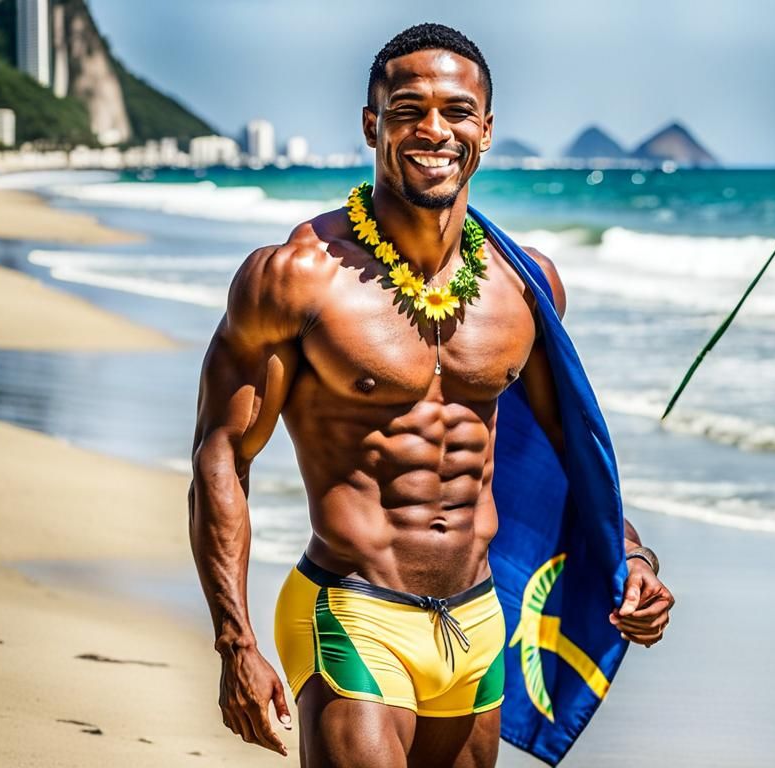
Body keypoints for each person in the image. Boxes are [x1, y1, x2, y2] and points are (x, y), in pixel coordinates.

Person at [189, 23, 674, 768]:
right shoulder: (296, 277)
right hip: (353, 608)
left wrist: (629, 555)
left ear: (486, 129)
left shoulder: (526, 286)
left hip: (478, 623)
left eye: (457, 111)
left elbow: (563, 458)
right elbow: (221, 455)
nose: (434, 130)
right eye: (408, 109)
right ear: (371, 124)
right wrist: (235, 641)